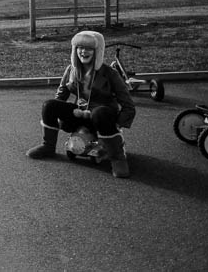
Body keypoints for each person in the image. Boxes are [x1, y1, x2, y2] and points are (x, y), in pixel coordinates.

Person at [26, 30, 136, 178]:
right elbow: (60, 96)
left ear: (98, 51)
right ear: (74, 50)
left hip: (102, 118)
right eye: (80, 47)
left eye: (89, 48)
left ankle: (117, 157)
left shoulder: (110, 73)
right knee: (49, 105)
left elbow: (128, 106)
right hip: (80, 113)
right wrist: (58, 117)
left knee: (99, 112)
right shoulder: (71, 70)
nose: (83, 52)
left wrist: (118, 124)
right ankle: (48, 146)